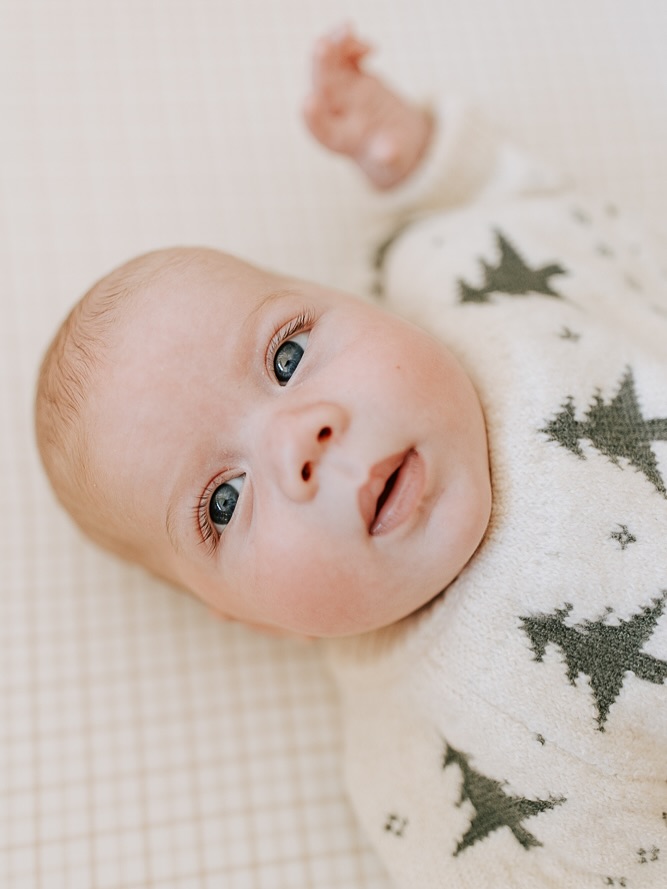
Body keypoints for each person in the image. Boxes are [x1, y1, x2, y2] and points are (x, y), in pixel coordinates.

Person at [35, 26, 667, 887]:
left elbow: (513, 201)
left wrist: (406, 155)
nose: (299, 438)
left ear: (352, 299)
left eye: (286, 357)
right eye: (222, 501)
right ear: (253, 617)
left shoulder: (451, 278)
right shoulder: (429, 755)